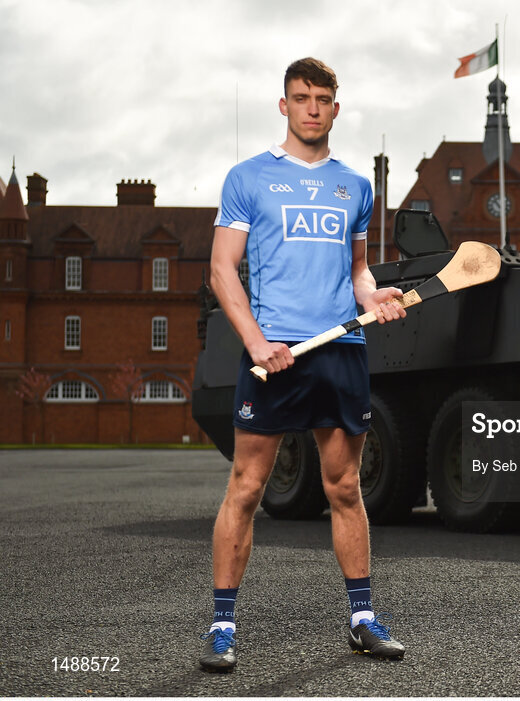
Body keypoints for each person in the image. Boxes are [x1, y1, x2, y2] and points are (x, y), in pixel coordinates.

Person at [200, 57, 407, 672]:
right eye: (301, 97)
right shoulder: (248, 178)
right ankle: (221, 625)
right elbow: (220, 269)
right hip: (277, 354)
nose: (312, 107)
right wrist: (256, 341)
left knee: (345, 486)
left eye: (322, 98)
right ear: (284, 105)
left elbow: (357, 268)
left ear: (335, 109)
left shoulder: (355, 186)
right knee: (247, 486)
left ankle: (363, 619)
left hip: (340, 351)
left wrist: (372, 296)